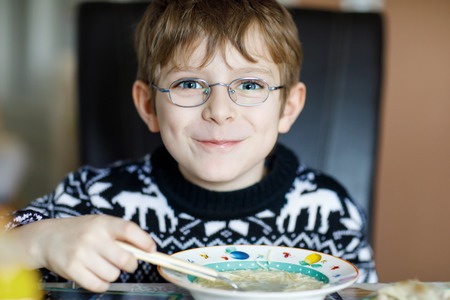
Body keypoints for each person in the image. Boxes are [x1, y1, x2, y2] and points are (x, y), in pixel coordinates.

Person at [4, 0, 378, 293]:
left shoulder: (331, 211)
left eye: (249, 85)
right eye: (189, 84)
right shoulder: (92, 199)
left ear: (288, 107)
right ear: (149, 105)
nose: (219, 112)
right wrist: (36, 243)